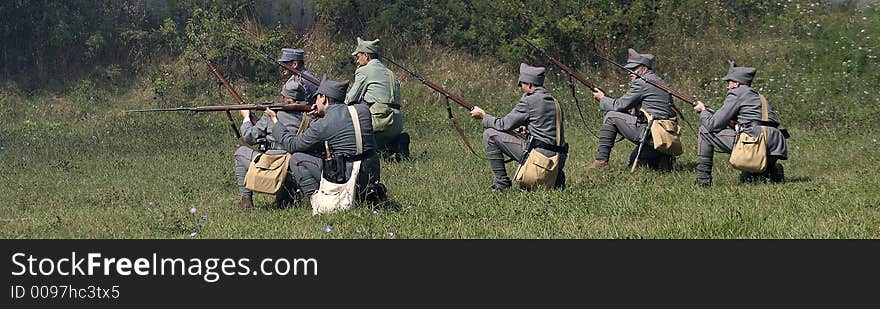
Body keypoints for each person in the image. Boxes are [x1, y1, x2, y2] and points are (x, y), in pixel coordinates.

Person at [269, 76, 387, 203]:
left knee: (297, 159)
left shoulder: (323, 124)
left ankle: (318, 201)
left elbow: (293, 145)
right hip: (371, 175)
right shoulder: (363, 110)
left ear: (323, 98)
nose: (315, 101)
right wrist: (318, 117)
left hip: (347, 176)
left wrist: (275, 121)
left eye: (317, 97)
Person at [469, 63, 568, 191]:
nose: (521, 88)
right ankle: (556, 180)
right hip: (558, 161)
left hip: (540, 161)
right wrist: (528, 130)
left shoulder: (529, 100)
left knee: (490, 135)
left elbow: (503, 124)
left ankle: (502, 184)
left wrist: (483, 116)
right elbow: (547, 130)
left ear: (530, 85)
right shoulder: (555, 101)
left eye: (522, 85)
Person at [693, 61, 787, 187]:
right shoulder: (760, 97)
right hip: (775, 145)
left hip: (755, 143)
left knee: (704, 131)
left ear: (736, 83)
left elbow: (713, 125)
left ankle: (703, 182)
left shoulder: (737, 93)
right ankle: (772, 170)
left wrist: (702, 110)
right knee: (748, 179)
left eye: (729, 82)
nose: (727, 86)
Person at [232, 77, 317, 209]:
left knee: (240, 153)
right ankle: (286, 199)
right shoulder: (310, 116)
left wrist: (246, 119)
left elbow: (249, 137)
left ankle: (246, 202)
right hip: (295, 168)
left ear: (287, 98)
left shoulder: (272, 114)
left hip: (272, 165)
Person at [588, 48, 678, 171]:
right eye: (629, 69)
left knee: (611, 117)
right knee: (633, 162)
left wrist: (602, 98)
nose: (630, 72)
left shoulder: (642, 83)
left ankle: (601, 162)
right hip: (663, 134)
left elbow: (618, 106)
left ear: (644, 68)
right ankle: (662, 157)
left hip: (652, 133)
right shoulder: (657, 80)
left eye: (634, 69)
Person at [344, 37, 410, 162]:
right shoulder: (391, 72)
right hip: (397, 122)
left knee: (350, 132)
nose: (357, 61)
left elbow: (350, 99)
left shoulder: (364, 71)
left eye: (358, 56)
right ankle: (394, 147)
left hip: (380, 120)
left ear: (366, 56)